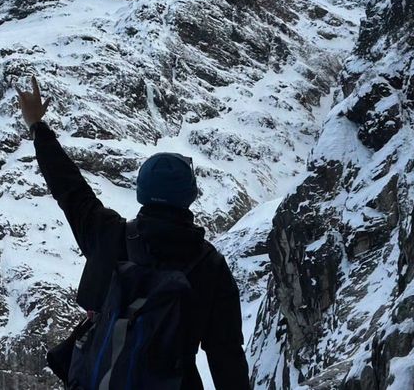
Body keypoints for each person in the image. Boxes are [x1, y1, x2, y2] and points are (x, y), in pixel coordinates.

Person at [15, 76, 250, 390]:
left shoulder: (108, 234)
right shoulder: (210, 266)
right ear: (189, 196)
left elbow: (69, 188)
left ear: (141, 192)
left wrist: (37, 127)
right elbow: (226, 356)